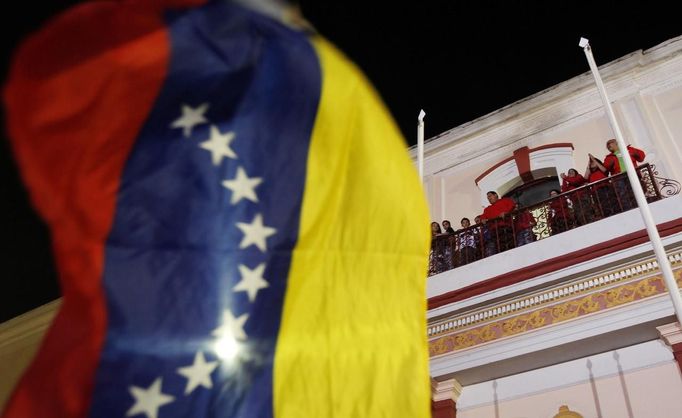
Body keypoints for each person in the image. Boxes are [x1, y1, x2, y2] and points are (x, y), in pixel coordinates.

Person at [603, 139, 646, 212]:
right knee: (623, 193)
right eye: (607, 145)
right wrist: (612, 160)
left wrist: (631, 152)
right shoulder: (609, 157)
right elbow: (606, 167)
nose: (608, 145)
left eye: (610, 143)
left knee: (636, 190)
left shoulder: (628, 149)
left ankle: (639, 205)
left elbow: (641, 156)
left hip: (632, 174)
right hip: (619, 177)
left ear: (616, 143)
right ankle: (628, 209)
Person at [585, 153, 615, 218]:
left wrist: (594, 159)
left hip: (605, 188)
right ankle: (605, 216)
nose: (591, 163)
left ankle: (612, 214)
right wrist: (588, 164)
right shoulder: (590, 174)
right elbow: (585, 178)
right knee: (601, 205)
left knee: (608, 203)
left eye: (592, 162)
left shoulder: (601, 169)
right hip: (595, 191)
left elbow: (604, 170)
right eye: (591, 162)